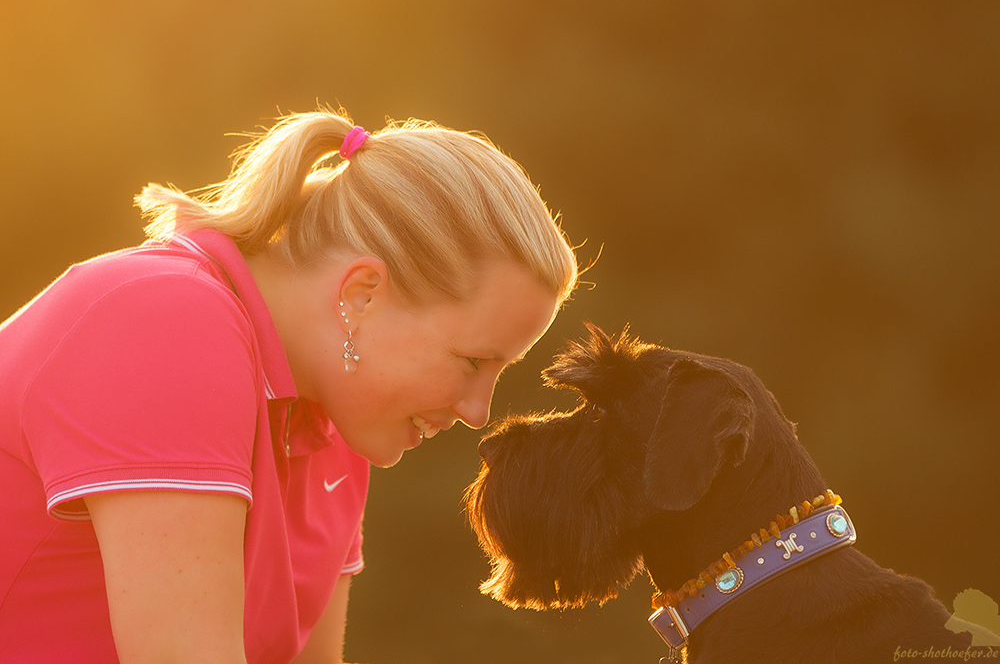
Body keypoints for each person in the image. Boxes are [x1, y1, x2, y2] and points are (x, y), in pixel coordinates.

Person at [0, 108, 578, 663]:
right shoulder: (167, 318)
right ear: (362, 294)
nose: (479, 413)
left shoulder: (336, 428)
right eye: (473, 360)